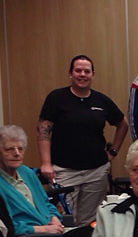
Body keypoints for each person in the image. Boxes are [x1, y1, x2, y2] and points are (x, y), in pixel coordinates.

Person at [0, 125, 93, 237]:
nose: (16, 153)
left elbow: (46, 203)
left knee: (95, 234)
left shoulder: (27, 173)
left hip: (53, 232)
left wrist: (55, 218)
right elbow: (7, 226)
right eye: (9, 149)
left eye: (20, 149)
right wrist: (43, 229)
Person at [37, 54, 129, 226]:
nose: (82, 74)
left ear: (93, 74)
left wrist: (113, 151)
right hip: (64, 171)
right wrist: (46, 163)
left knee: (90, 222)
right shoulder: (57, 98)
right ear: (70, 74)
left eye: (87, 71)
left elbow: (123, 124)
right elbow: (43, 130)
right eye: (78, 70)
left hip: (96, 172)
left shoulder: (101, 100)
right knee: (64, 220)